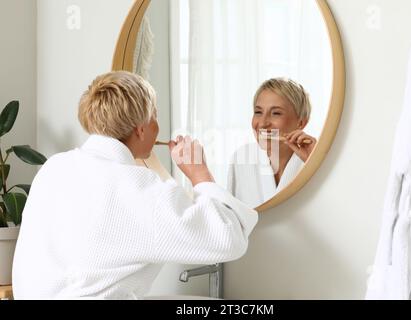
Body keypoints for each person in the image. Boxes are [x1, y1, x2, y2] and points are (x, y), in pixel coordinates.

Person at [12, 71, 258, 299]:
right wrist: (199, 173)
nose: (158, 126)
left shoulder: (54, 167)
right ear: (141, 129)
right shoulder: (137, 188)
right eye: (155, 116)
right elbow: (227, 238)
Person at [227, 78, 317, 208]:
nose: (263, 123)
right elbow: (232, 218)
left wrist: (313, 161)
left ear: (301, 123)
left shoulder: (314, 159)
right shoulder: (241, 158)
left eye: (276, 113)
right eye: (258, 112)